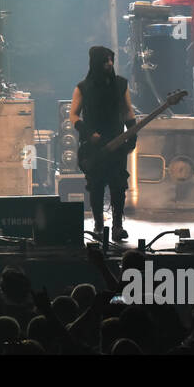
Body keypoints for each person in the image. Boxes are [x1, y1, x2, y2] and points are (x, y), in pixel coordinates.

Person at [70, 46, 137, 241]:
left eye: (111, 60)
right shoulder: (83, 87)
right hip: (94, 145)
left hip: (116, 141)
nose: (109, 64)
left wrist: (131, 134)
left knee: (118, 184)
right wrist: (88, 132)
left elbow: (127, 111)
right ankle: (98, 222)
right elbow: (73, 114)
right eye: (105, 60)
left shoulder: (121, 84)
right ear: (96, 63)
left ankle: (117, 225)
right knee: (96, 184)